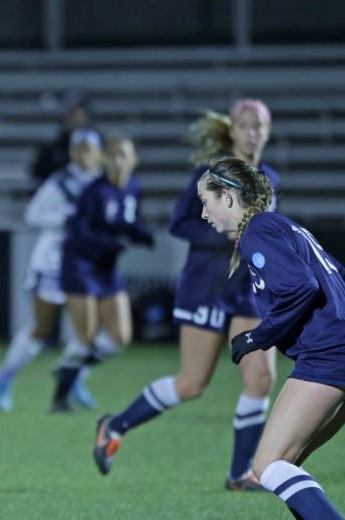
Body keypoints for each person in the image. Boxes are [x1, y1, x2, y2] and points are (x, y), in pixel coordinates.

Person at [201, 155, 345, 520]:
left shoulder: (260, 230)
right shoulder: (285, 227)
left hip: (332, 354)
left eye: (206, 202)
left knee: (266, 466)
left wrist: (258, 336)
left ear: (228, 196)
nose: (203, 214)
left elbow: (302, 288)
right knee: (288, 464)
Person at [93, 99, 280, 490]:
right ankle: (115, 425)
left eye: (258, 126)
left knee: (260, 378)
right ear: (231, 130)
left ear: (268, 131)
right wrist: (223, 232)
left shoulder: (270, 178)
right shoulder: (211, 174)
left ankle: (240, 473)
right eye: (245, 125)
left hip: (247, 287)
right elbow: (180, 223)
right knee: (192, 383)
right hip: (207, 286)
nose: (252, 133)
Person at [0, 129, 103, 412]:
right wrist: (66, 218)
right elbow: (33, 214)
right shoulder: (60, 182)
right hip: (52, 262)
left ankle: (72, 376)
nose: (85, 155)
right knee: (42, 329)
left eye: (90, 149)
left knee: (86, 333)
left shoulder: (102, 183)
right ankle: (5, 375)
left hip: (82, 262)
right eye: (80, 149)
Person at [49, 135, 154, 412]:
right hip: (80, 266)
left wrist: (142, 235)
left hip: (105, 268)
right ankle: (60, 397)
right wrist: (111, 242)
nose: (119, 161)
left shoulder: (133, 187)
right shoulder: (94, 191)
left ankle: (68, 369)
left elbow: (129, 222)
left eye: (125, 155)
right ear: (105, 158)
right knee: (86, 338)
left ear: (134, 160)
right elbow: (80, 233)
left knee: (121, 337)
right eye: (114, 154)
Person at [30, 93, 92, 186]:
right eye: (72, 113)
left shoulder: (99, 146)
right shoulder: (50, 151)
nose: (76, 118)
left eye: (79, 113)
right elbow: (38, 180)